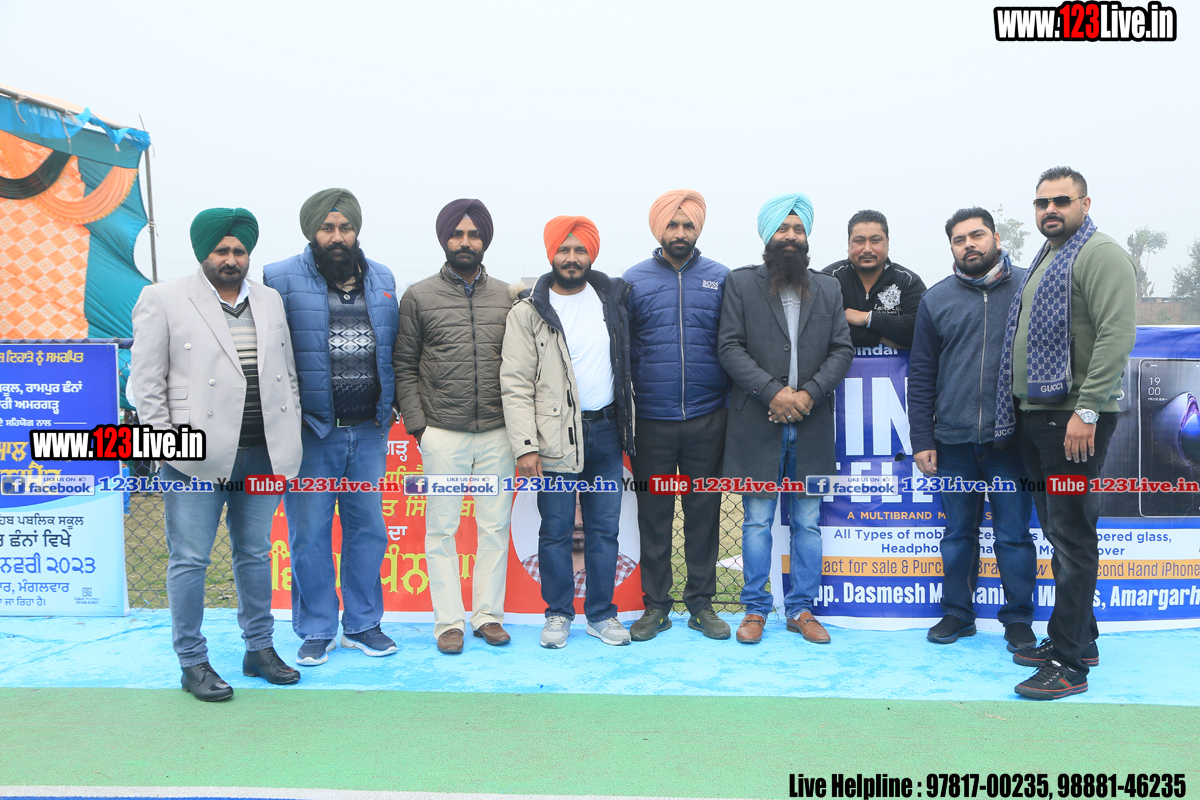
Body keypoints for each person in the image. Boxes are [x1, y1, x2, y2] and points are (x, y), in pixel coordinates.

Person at [130, 208, 302, 701]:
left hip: (261, 452)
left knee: (255, 553)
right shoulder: (162, 298)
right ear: (202, 252)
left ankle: (259, 649)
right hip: (193, 456)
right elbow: (146, 384)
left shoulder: (269, 300)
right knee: (190, 559)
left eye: (239, 251)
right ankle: (192, 662)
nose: (231, 259)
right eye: (222, 250)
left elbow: (287, 372)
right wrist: (165, 443)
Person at [995, 167, 1137, 699]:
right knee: (1060, 533)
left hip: (1073, 422)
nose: (1050, 209)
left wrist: (1089, 411)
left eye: (1061, 200)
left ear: (1085, 203)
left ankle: (1070, 663)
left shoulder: (1100, 254)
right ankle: (1083, 637)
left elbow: (1116, 334)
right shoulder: (1050, 256)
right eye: (1042, 202)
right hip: (1039, 418)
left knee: (1073, 538)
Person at [263, 189, 400, 666]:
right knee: (309, 535)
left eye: (345, 227)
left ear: (356, 230)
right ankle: (317, 629)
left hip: (368, 431)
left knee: (369, 531)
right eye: (327, 228)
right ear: (312, 231)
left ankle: (363, 624)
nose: (337, 237)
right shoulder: (278, 278)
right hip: (311, 433)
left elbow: (393, 347)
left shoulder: (383, 278)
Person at [719, 193, 854, 645]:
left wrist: (808, 394)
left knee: (808, 522)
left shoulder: (829, 288)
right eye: (783, 228)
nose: (791, 236)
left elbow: (842, 350)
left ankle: (801, 608)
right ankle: (755, 610)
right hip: (758, 423)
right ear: (768, 235)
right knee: (757, 521)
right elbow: (729, 347)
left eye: (798, 229)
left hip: (812, 425)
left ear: (807, 235)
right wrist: (773, 393)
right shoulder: (741, 283)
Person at [500, 215, 636, 648]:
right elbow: (515, 383)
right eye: (564, 249)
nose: (572, 258)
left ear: (591, 254)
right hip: (553, 437)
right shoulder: (528, 312)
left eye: (580, 250)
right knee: (556, 529)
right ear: (551, 254)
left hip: (606, 431)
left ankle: (601, 614)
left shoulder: (612, 301)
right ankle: (557, 614)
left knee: (604, 529)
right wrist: (526, 445)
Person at [908, 207, 1036, 652]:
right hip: (954, 443)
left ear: (996, 238)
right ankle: (958, 614)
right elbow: (921, 374)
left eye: (977, 235)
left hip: (1011, 442)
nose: (969, 245)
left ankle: (1018, 619)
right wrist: (922, 439)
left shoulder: (1029, 287)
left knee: (1013, 536)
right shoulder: (936, 299)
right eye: (959, 240)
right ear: (952, 248)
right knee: (958, 535)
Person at [394, 199, 514, 655]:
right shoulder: (419, 296)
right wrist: (419, 427)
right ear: (444, 239)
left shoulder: (507, 297)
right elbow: (404, 365)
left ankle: (487, 616)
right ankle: (448, 622)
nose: (466, 242)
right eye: (457, 234)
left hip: (498, 431)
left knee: (494, 528)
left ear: (485, 240)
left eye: (474, 234)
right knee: (442, 530)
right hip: (442, 432)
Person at [624, 189, 730, 642]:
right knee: (654, 516)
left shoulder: (721, 278)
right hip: (652, 421)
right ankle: (656, 605)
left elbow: (733, 343)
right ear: (659, 229)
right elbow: (622, 349)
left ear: (698, 229)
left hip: (708, 417)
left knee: (704, 514)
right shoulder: (633, 280)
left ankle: (701, 604)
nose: (681, 232)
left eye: (688, 225)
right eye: (673, 224)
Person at [822, 210, 926, 349]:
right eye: (859, 241)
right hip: (840, 363)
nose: (867, 249)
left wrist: (868, 318)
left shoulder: (908, 281)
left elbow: (921, 330)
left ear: (887, 243)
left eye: (875, 240)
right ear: (849, 244)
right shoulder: (829, 279)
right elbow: (820, 330)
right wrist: (881, 339)